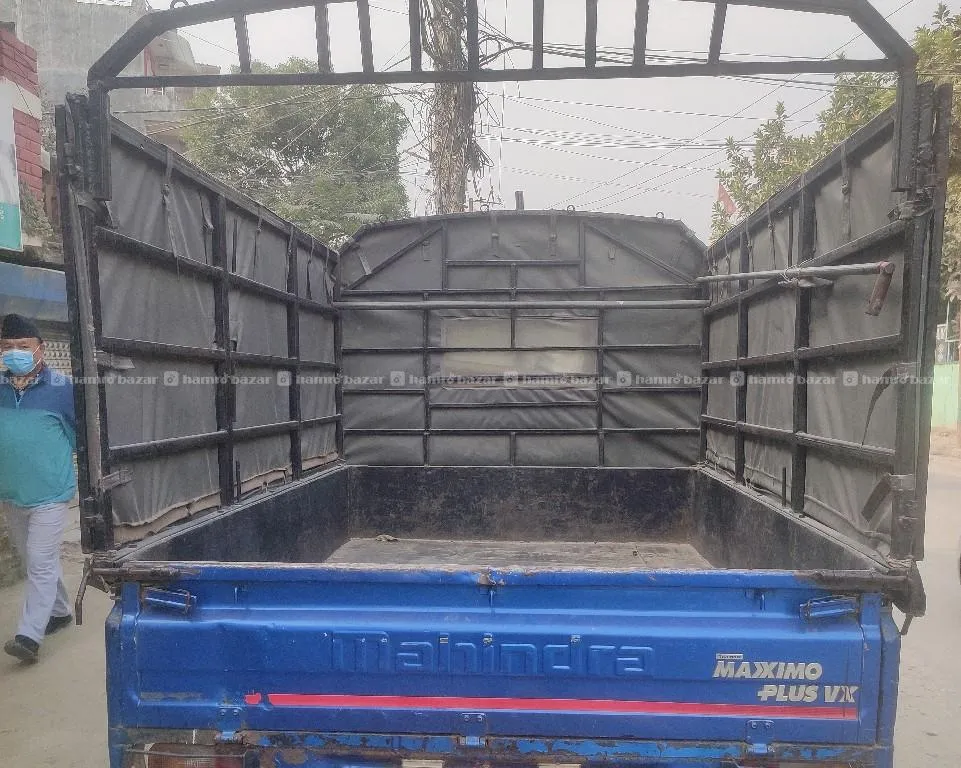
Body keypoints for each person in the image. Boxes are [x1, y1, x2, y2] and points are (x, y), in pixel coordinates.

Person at [0, 313, 76, 663]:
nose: (14, 352)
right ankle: (59, 612)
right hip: (12, 494)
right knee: (35, 558)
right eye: (7, 346)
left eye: (22, 345)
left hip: (51, 494)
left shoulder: (63, 389)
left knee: (40, 561)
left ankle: (29, 636)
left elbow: (81, 437)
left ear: (40, 349)